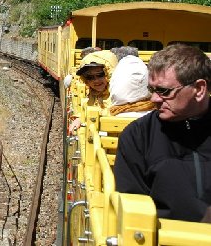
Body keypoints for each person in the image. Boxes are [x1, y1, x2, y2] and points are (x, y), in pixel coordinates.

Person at [114, 44, 211, 222]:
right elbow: (133, 210)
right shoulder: (138, 136)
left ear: (199, 89)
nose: (154, 99)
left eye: (164, 91)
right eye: (152, 89)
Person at [69, 50, 118, 132]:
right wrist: (80, 118)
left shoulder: (119, 95)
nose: (96, 80)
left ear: (110, 74)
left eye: (100, 75)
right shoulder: (93, 94)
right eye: (90, 77)